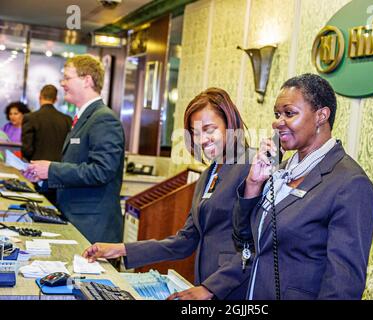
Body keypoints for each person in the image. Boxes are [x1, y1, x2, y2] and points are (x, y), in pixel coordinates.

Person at [83, 88, 253, 300]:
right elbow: (184, 241)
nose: (202, 140)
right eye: (196, 133)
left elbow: (255, 245)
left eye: (210, 129)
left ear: (230, 124)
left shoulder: (251, 166)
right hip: (207, 283)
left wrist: (209, 289)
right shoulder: (208, 174)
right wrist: (120, 249)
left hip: (235, 289)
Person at [232, 73, 373, 300]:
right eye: (277, 114)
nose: (278, 122)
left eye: (289, 113)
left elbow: (343, 285)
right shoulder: (281, 170)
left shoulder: (350, 183)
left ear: (321, 116)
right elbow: (243, 238)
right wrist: (253, 184)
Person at [24, 54, 125, 244]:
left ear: (87, 80)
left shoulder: (103, 118)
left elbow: (102, 171)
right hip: (77, 222)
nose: (62, 84)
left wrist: (52, 170)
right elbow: (76, 169)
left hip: (92, 228)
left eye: (67, 77)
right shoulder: (82, 118)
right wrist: (44, 179)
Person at [21, 84, 72, 162]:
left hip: (37, 166)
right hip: (58, 167)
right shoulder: (67, 120)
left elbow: (27, 149)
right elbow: (69, 146)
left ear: (40, 97)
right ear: (55, 99)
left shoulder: (30, 118)